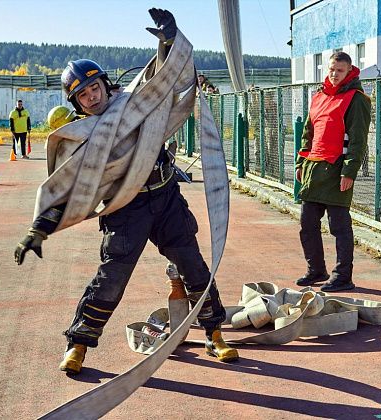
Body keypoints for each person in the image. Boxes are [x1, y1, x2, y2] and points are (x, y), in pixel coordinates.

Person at [14, 9, 238, 375]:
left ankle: (213, 333)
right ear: (75, 102)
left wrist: (168, 39)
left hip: (165, 198)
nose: (91, 96)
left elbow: (163, 78)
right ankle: (78, 345)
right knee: (112, 277)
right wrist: (38, 229)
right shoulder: (81, 138)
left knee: (194, 267)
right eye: (82, 94)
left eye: (94, 87)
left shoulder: (136, 102)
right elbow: (66, 186)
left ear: (104, 83)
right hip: (125, 209)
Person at [295, 51, 371, 292]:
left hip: (337, 170)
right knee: (307, 224)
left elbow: (358, 139)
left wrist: (349, 172)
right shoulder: (318, 96)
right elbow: (308, 132)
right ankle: (316, 269)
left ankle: (343, 276)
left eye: (340, 70)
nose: (334, 74)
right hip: (313, 170)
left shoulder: (356, 98)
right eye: (331, 69)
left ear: (349, 71)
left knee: (339, 226)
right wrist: (300, 162)